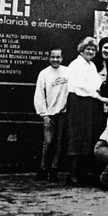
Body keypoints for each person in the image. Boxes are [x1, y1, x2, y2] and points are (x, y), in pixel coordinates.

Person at [65, 37, 108, 186]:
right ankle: (72, 175)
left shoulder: (91, 65)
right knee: (78, 139)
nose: (90, 52)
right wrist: (100, 98)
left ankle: (82, 173)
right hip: (79, 103)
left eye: (93, 49)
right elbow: (81, 87)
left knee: (88, 138)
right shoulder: (75, 65)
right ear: (81, 50)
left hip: (90, 104)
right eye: (88, 49)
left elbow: (95, 84)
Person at [33, 46, 69, 182]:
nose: (55, 59)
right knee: (48, 142)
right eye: (53, 57)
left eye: (58, 57)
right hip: (49, 114)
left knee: (59, 143)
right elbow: (39, 95)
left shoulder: (67, 72)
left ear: (62, 58)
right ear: (49, 58)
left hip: (63, 114)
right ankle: (43, 169)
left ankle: (54, 169)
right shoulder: (44, 74)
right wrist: (44, 115)